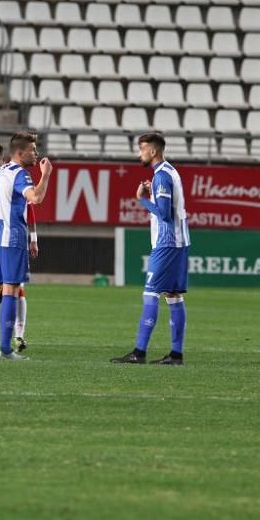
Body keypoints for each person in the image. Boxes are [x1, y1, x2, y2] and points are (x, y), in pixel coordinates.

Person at [0, 132, 52, 360]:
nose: (36, 154)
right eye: (33, 150)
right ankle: (5, 349)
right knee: (11, 290)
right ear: (20, 152)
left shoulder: (0, 172)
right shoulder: (19, 174)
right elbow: (35, 198)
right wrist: (46, 175)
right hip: (11, 238)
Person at [111, 132, 189, 366]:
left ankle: (139, 352)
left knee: (150, 293)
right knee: (173, 296)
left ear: (153, 151)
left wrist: (142, 199)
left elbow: (164, 214)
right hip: (180, 241)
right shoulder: (169, 171)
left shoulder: (161, 177)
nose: (139, 153)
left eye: (142, 149)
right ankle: (176, 355)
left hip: (166, 243)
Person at [0, 142, 39, 353]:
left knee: (1, 289)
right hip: (6, 237)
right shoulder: (10, 174)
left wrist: (33, 237)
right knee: (5, 289)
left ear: (3, 159)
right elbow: (36, 198)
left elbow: (28, 209)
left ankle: (17, 335)